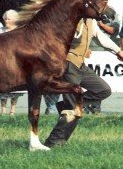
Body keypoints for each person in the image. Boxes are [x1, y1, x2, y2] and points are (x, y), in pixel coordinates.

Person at [44, 13, 123, 148]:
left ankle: (67, 106)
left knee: (103, 90)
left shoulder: (91, 21)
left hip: (81, 65)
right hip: (69, 64)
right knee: (73, 109)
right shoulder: (71, 17)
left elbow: (100, 38)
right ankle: (53, 142)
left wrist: (118, 51)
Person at [0, 9, 19, 115]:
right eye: (5, 18)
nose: (6, 21)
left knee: (15, 87)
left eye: (9, 19)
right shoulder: (0, 30)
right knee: (3, 86)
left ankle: (13, 109)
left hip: (15, 62)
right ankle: (3, 109)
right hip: (2, 61)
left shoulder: (19, 31)